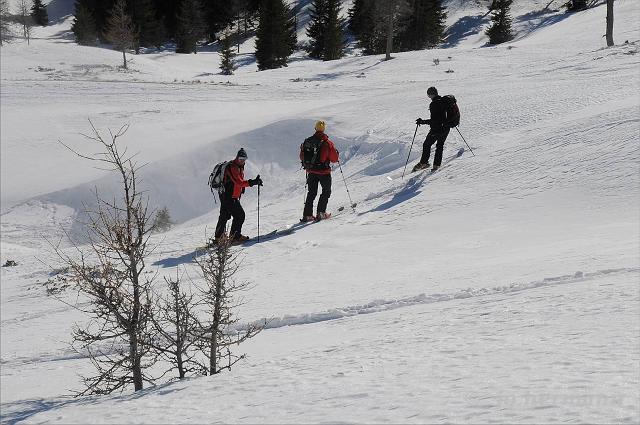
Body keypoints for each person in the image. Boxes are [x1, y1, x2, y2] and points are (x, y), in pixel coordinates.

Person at [214, 148, 263, 243]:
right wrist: (253, 182)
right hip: (229, 196)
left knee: (224, 215)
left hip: (226, 195)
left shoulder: (239, 166)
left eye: (244, 159)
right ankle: (235, 237)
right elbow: (239, 182)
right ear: (237, 157)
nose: (242, 161)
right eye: (240, 158)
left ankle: (219, 237)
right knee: (240, 215)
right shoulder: (233, 167)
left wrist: (243, 188)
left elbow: (237, 182)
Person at [300, 120, 339, 222]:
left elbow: (302, 156)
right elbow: (334, 159)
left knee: (311, 193)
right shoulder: (327, 143)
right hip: (324, 172)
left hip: (311, 171)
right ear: (324, 129)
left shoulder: (307, 141)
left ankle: (307, 215)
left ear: (315, 129)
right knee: (326, 191)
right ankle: (321, 213)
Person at [413, 86, 450, 172]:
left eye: (428, 95)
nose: (428, 97)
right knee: (439, 146)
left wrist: (422, 122)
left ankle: (423, 163)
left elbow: (434, 120)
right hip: (446, 128)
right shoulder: (444, 101)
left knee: (426, 144)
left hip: (437, 129)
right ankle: (436, 165)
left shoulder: (434, 104)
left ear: (430, 94)